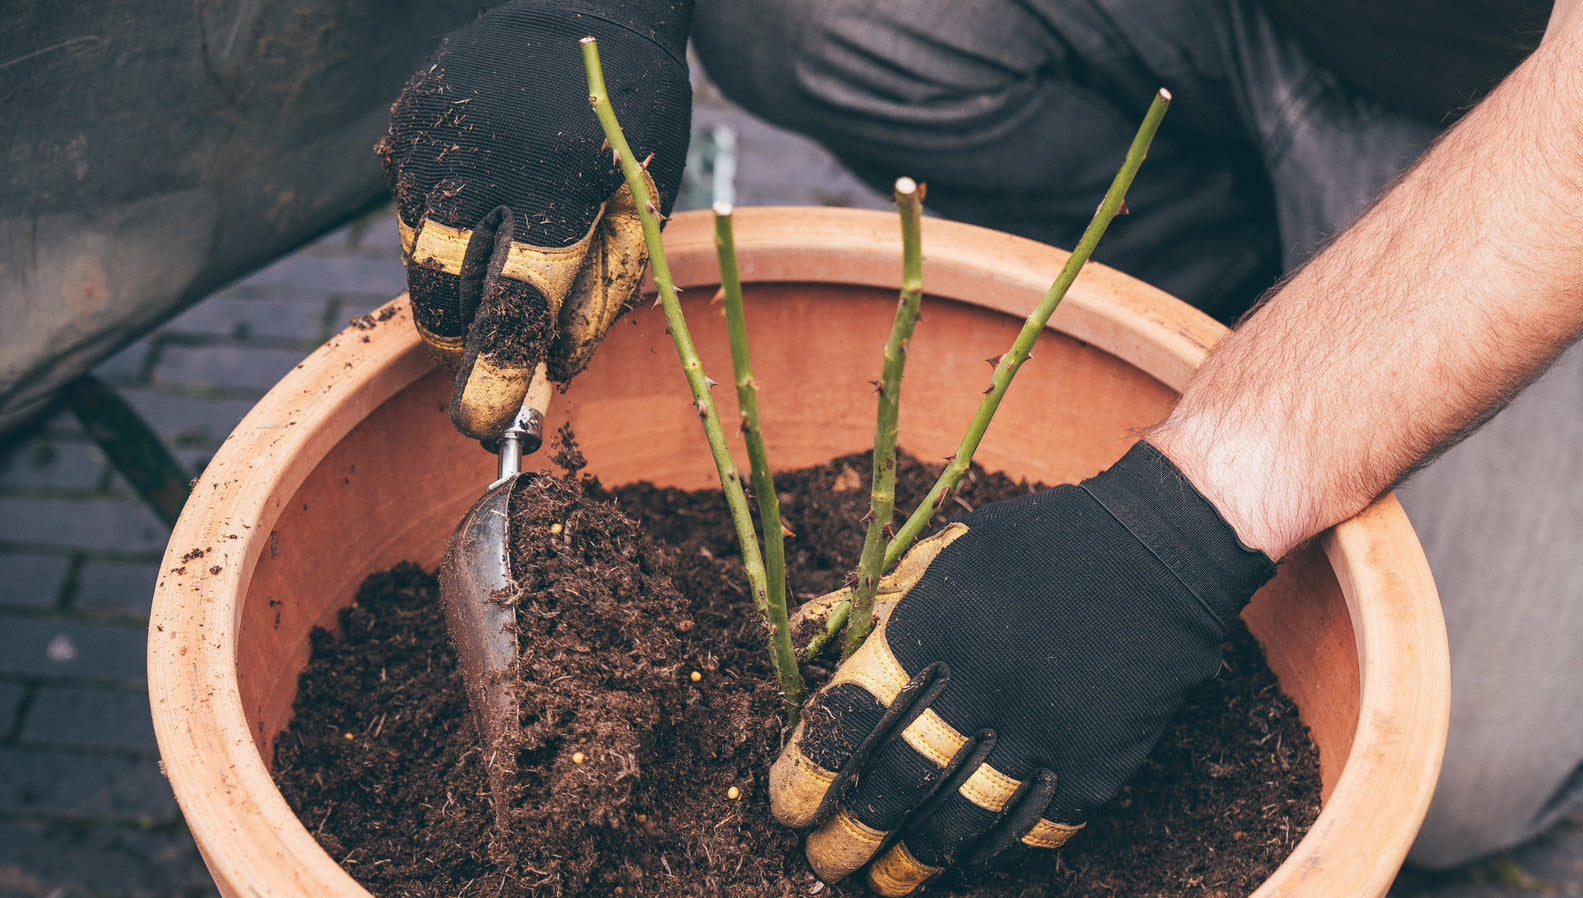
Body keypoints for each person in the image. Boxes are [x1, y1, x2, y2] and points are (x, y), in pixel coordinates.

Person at [372, 0, 1583, 892]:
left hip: (1527, 122)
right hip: (1241, 26)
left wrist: (1193, 512)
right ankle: (1229, 288)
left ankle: (1285, 361)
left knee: (1461, 769)